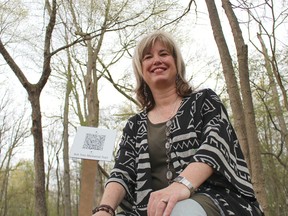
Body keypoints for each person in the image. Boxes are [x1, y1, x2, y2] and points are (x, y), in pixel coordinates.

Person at [92, 30, 264, 216]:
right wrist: (105, 209)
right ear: (141, 70)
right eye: (148, 57)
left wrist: (182, 185)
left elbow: (214, 146)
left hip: (211, 198)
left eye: (164, 54)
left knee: (180, 211)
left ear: (176, 63)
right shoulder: (134, 125)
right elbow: (121, 171)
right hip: (147, 210)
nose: (157, 60)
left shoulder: (204, 101)